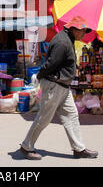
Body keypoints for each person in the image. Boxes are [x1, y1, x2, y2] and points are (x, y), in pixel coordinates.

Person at [20, 16, 98, 160]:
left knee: (71, 115)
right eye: (83, 31)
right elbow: (51, 64)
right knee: (44, 117)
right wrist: (39, 76)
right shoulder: (62, 41)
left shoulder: (67, 39)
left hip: (62, 85)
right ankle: (26, 146)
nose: (84, 34)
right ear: (75, 29)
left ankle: (79, 148)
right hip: (54, 85)